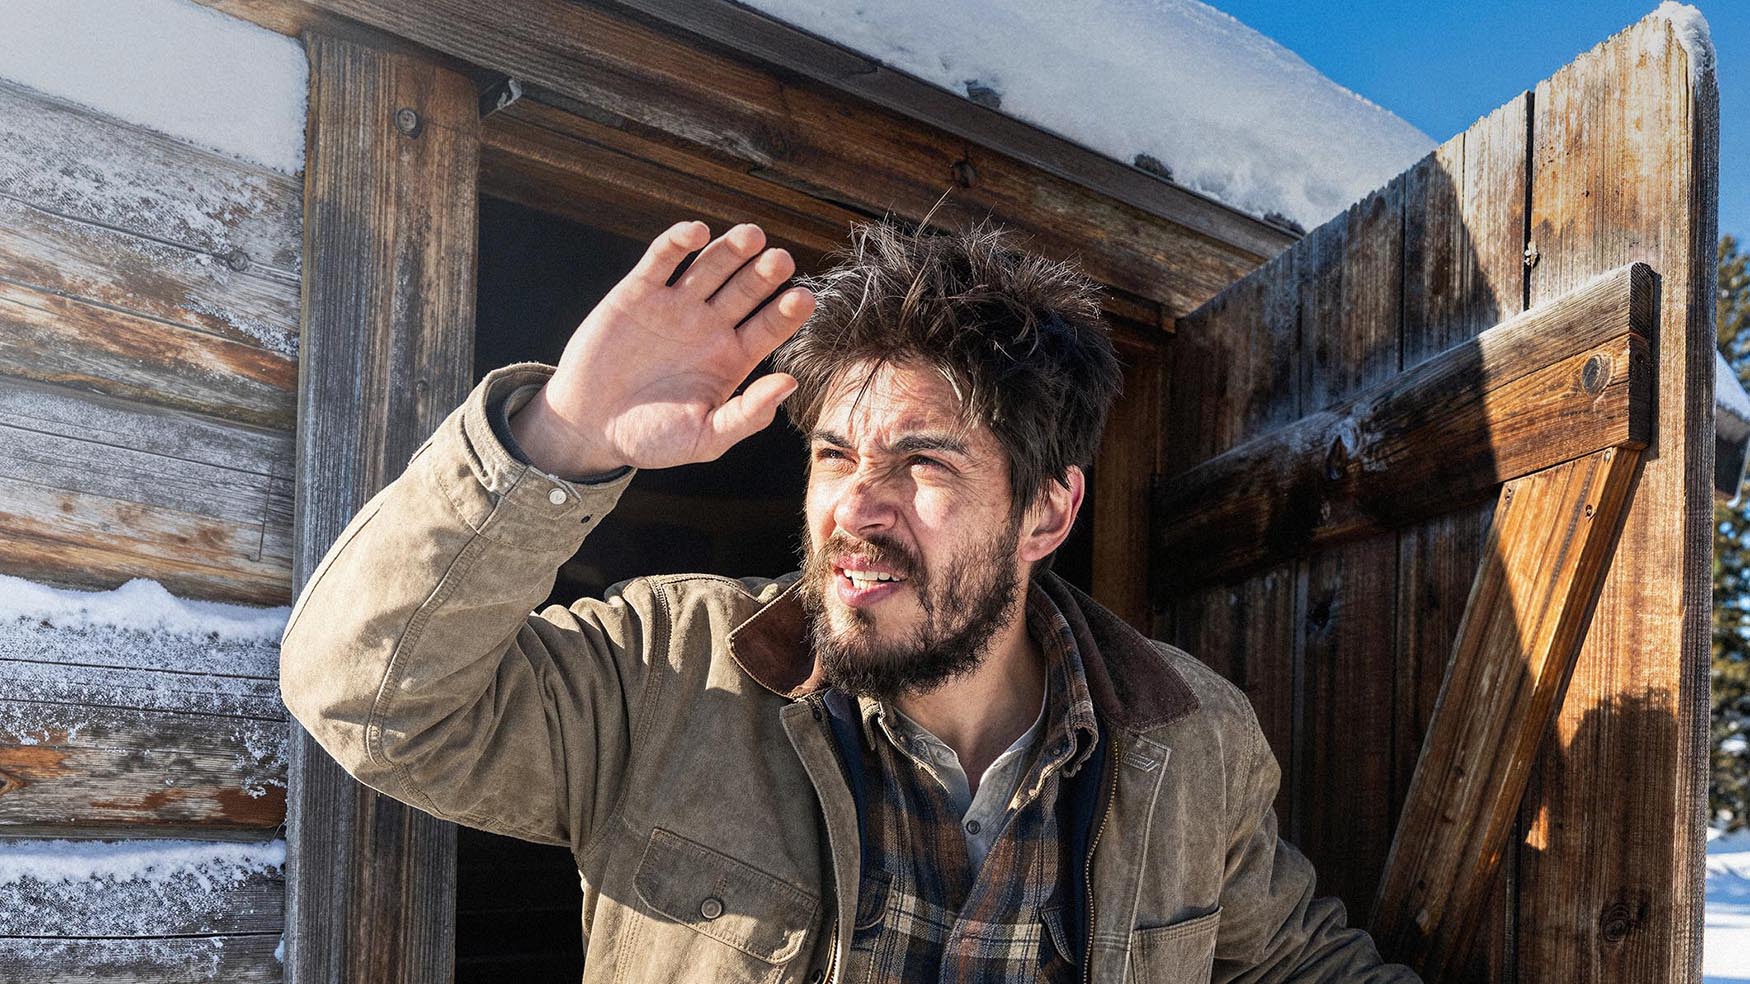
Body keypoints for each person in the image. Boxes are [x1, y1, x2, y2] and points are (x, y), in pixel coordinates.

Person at [279, 218, 1419, 983]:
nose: (854, 511)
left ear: (1046, 513)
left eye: (923, 463)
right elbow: (370, 697)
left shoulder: (1189, 735)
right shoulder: (671, 667)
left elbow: (1293, 964)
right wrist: (559, 441)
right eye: (833, 457)